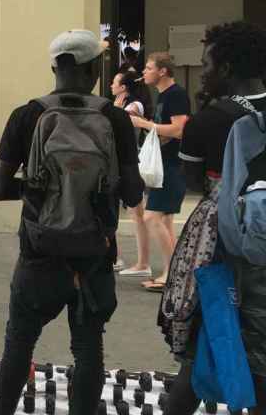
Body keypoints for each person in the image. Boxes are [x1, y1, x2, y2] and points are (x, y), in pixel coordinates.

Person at [0, 29, 143, 415]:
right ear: (94, 68)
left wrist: (42, 192)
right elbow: (133, 193)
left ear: (54, 66)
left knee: (19, 345)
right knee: (89, 350)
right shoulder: (115, 119)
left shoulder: (27, 115)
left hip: (39, 253)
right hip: (93, 255)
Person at [159, 21, 266, 414]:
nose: (204, 71)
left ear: (226, 67)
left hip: (221, 242)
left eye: (208, 63)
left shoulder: (208, 119)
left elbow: (191, 180)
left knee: (209, 332)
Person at [130, 52, 190, 292]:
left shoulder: (175, 95)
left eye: (148, 68)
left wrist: (144, 124)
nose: (144, 72)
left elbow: (179, 130)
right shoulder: (165, 95)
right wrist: (145, 121)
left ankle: (173, 274)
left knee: (151, 217)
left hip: (172, 166)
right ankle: (171, 272)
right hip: (166, 165)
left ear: (162, 71)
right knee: (164, 220)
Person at [111, 69, 153, 274]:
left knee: (137, 213)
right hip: (119, 162)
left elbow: (118, 127)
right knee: (131, 212)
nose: (111, 85)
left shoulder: (134, 106)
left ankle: (143, 263)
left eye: (115, 82)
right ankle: (116, 257)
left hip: (130, 162)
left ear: (124, 87)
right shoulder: (119, 105)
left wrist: (115, 111)